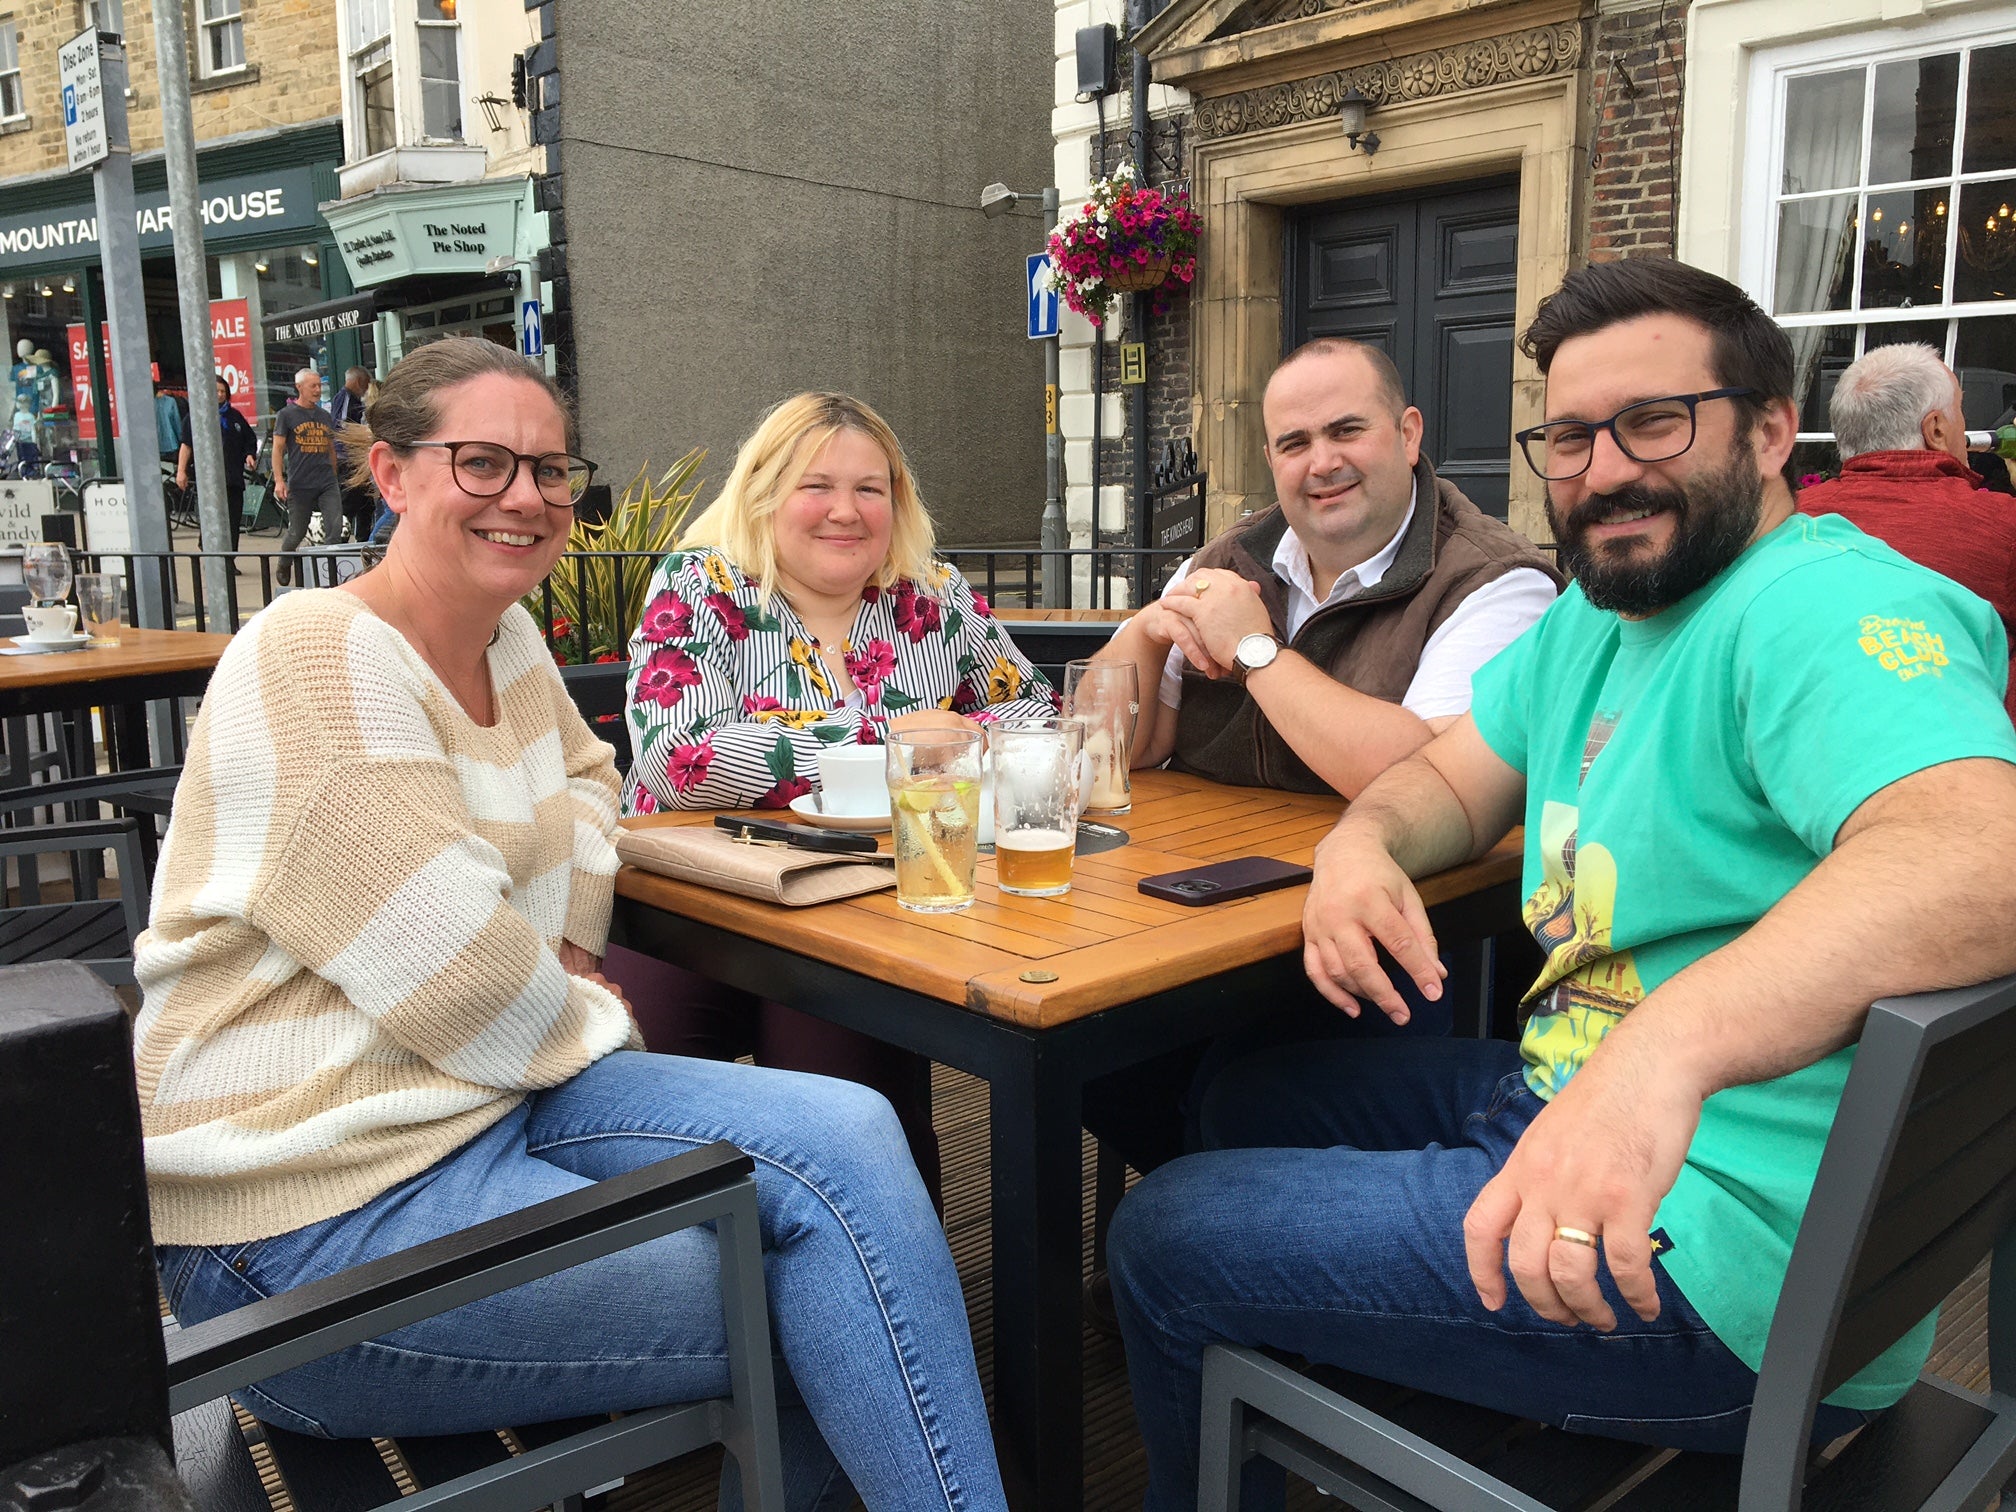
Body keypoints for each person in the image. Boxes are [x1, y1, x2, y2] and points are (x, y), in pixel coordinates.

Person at [1105, 257, 2016, 1511]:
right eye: (1573, 436)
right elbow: (1446, 784)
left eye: (1654, 422)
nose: (1604, 469)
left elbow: (1985, 853)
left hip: (1712, 1268)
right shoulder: (1600, 617)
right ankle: (1372, 1386)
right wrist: (1362, 848)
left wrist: (1661, 1057)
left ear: (1766, 432)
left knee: (1166, 1233)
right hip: (1571, 1107)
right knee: (1239, 1090)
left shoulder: (1819, 606)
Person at [138, 337, 1009, 1512]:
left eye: (549, 470)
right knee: (837, 1281)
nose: (527, 498)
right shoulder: (312, 655)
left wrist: (563, 940)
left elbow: (600, 785)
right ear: (389, 476)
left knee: (855, 1134)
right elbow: (469, 989)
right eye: (482, 463)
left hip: (490, 1105)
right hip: (305, 1223)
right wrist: (567, 989)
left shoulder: (506, 641)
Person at [611, 392, 1061, 1203]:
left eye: (871, 488)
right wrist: (901, 741)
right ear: (763, 494)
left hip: (867, 901)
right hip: (695, 905)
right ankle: (699, 1295)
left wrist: (959, 731)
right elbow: (682, 761)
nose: (845, 512)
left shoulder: (932, 595)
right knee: (649, 1103)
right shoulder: (703, 585)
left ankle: (882, 1284)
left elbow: (1035, 710)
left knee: (856, 1092)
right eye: (817, 485)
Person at [1095, 338, 1559, 799]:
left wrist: (1254, 651)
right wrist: (1147, 633)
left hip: (1380, 871)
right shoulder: (1227, 558)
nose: (1323, 463)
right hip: (1191, 865)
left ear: (1408, 435)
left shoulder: (1498, 582)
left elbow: (1431, 784)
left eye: (1347, 431)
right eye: (1295, 444)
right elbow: (1104, 753)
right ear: (1271, 461)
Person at [1797, 342, 2016, 721]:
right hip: (1960, 755)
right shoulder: (2002, 525)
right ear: (1934, 429)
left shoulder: (1788, 518)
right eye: (1960, 413)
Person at [273, 366, 342, 586]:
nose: (317, 390)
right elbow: (277, 449)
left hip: (326, 481)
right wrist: (279, 481)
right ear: (299, 387)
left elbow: (331, 447)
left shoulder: (324, 416)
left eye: (319, 386)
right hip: (301, 483)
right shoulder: (287, 415)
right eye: (313, 386)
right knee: (297, 531)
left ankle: (327, 573)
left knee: (335, 527)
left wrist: (334, 472)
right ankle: (284, 562)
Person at [331, 365, 375, 544]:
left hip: (355, 459)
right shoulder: (346, 398)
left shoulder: (353, 400)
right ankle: (340, 543)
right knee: (349, 505)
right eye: (365, 384)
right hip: (349, 459)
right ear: (358, 381)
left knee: (365, 504)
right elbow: (341, 427)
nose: (366, 390)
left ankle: (363, 540)